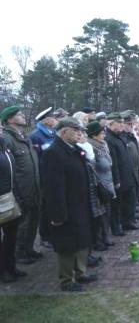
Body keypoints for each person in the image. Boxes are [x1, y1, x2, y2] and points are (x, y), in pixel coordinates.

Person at [42, 117, 97, 292]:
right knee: (67, 245)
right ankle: (67, 280)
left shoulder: (75, 149)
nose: (80, 133)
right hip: (66, 207)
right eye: (76, 130)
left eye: (80, 130)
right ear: (64, 132)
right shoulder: (54, 153)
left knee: (82, 241)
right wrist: (58, 215)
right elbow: (53, 187)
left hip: (80, 204)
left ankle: (80, 273)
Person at [0, 106, 42, 265]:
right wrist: (17, 192)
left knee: (33, 221)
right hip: (21, 190)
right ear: (10, 119)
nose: (23, 116)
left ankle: (28, 248)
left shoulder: (24, 136)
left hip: (33, 187)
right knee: (22, 224)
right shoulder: (7, 139)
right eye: (19, 114)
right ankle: (19, 254)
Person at [105, 112, 139, 235]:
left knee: (128, 200)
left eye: (121, 122)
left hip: (127, 174)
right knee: (117, 204)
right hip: (120, 177)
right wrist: (117, 180)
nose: (121, 125)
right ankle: (117, 227)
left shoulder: (119, 136)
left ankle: (127, 222)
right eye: (118, 123)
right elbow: (113, 162)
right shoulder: (109, 139)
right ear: (110, 124)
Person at [0, 127, 27, 283]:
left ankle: (10, 267)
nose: (1, 128)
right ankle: (3, 271)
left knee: (11, 236)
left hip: (10, 199)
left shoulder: (4, 146)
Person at [29, 107, 58, 249]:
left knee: (53, 206)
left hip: (54, 175)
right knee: (45, 208)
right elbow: (36, 159)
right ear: (45, 120)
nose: (55, 119)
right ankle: (45, 236)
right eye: (52, 117)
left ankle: (53, 234)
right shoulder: (36, 136)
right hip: (44, 177)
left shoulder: (52, 133)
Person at [87, 121, 115, 251]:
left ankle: (106, 236)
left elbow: (109, 163)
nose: (104, 135)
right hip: (99, 185)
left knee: (107, 212)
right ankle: (99, 239)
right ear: (94, 136)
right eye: (101, 133)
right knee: (101, 214)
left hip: (107, 183)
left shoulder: (103, 145)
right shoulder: (91, 148)